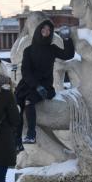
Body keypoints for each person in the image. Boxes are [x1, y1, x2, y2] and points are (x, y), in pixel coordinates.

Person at [15, 16, 74, 148]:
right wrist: (35, 85)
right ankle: (17, 141)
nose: (46, 31)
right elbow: (25, 71)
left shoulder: (52, 48)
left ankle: (31, 135)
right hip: (28, 85)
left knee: (29, 101)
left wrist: (67, 38)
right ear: (39, 30)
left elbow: (67, 55)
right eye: (44, 29)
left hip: (45, 87)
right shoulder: (28, 51)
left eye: (49, 30)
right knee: (17, 107)